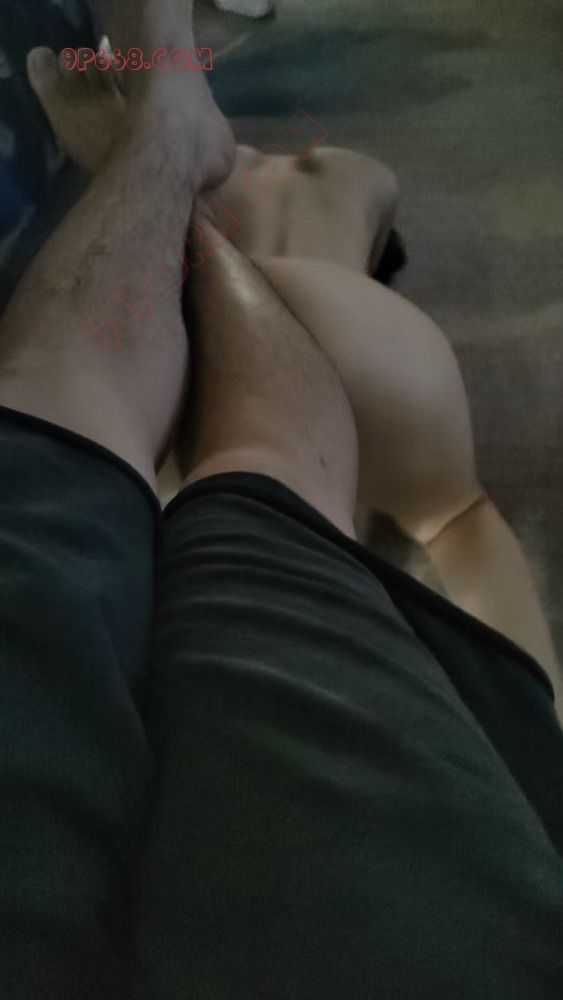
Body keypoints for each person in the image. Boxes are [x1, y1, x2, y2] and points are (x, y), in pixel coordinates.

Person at [0, 2, 561, 997]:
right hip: (306, 347)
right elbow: (463, 531)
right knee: (198, 484)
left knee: (83, 477)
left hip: (231, 324)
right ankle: (167, 139)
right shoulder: (348, 192)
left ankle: (166, 140)